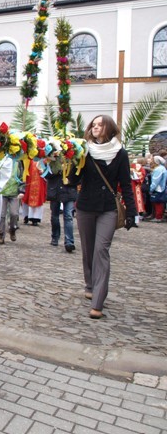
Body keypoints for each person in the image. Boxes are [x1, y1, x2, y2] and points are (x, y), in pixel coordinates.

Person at [71, 115, 136, 319]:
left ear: (109, 128)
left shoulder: (120, 153)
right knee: (88, 250)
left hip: (108, 208)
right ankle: (90, 283)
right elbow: (73, 180)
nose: (96, 127)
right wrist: (71, 160)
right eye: (94, 125)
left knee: (101, 250)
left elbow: (126, 185)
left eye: (100, 124)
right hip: (85, 207)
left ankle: (98, 301)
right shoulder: (85, 151)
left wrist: (132, 212)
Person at [45, 158, 78, 252]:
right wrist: (57, 170)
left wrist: (70, 180)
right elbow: (47, 174)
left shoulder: (74, 159)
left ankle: (69, 241)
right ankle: (55, 236)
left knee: (68, 216)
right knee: (55, 216)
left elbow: (79, 176)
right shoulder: (52, 159)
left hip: (69, 191)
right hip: (55, 190)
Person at [20, 160, 47, 226]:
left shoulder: (43, 158)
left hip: (39, 180)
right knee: (26, 196)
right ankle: (26, 216)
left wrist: (44, 170)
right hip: (29, 177)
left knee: (38, 198)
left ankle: (35, 218)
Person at [149, 155, 167, 222]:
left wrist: (151, 189)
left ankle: (158, 217)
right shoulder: (162, 168)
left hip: (158, 188)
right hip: (162, 187)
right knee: (159, 203)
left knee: (158, 203)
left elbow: (155, 181)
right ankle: (158, 216)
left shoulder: (158, 169)